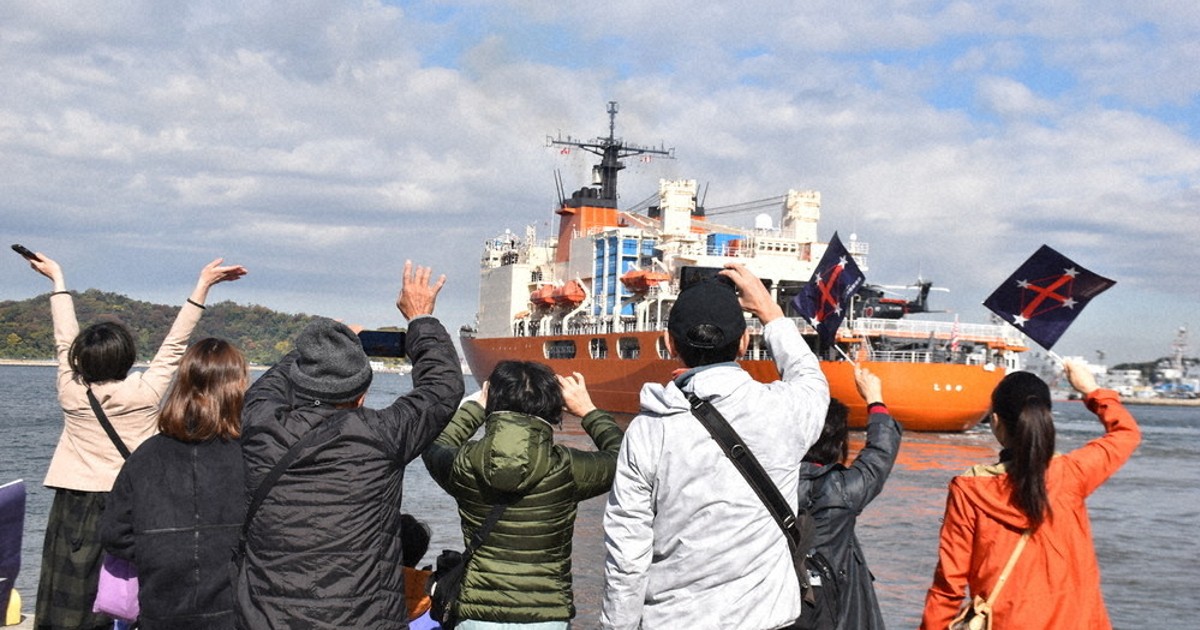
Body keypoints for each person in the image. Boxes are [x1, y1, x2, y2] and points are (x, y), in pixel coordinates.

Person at [235, 261, 464, 629]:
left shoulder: (260, 425)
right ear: (362, 396)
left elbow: (268, 386)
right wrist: (421, 319)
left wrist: (324, 344)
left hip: (268, 619)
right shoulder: (381, 436)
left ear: (299, 384)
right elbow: (442, 388)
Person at [600, 263, 830, 630]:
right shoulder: (784, 410)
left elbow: (627, 555)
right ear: (743, 343)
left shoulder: (648, 430)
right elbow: (811, 378)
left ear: (669, 344)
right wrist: (769, 311)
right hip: (767, 621)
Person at [24, 252, 246, 630]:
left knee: (72, 603)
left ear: (80, 360)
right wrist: (202, 286)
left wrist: (57, 281)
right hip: (136, 501)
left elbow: (64, 340)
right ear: (127, 357)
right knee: (133, 594)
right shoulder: (144, 392)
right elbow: (176, 344)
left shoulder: (70, 391)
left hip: (76, 503)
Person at [920, 361, 1142, 629]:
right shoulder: (1072, 473)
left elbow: (949, 584)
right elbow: (1126, 434)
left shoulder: (971, 489)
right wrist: (1092, 390)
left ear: (995, 421)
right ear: (1046, 418)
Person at [422, 362, 623, 629]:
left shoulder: (465, 463)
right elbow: (624, 458)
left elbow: (434, 444)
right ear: (555, 405)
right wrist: (588, 411)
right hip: (546, 618)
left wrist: (475, 409)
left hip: (477, 617)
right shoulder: (567, 469)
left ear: (491, 399)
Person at [99, 338, 249, 629]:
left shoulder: (146, 456)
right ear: (237, 389)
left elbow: (114, 533)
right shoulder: (250, 457)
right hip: (233, 611)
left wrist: (159, 549)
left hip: (161, 607)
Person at [798, 365, 902, 630]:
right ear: (839, 443)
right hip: (839, 612)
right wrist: (875, 400)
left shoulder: (768, 483)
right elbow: (880, 453)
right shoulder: (844, 490)